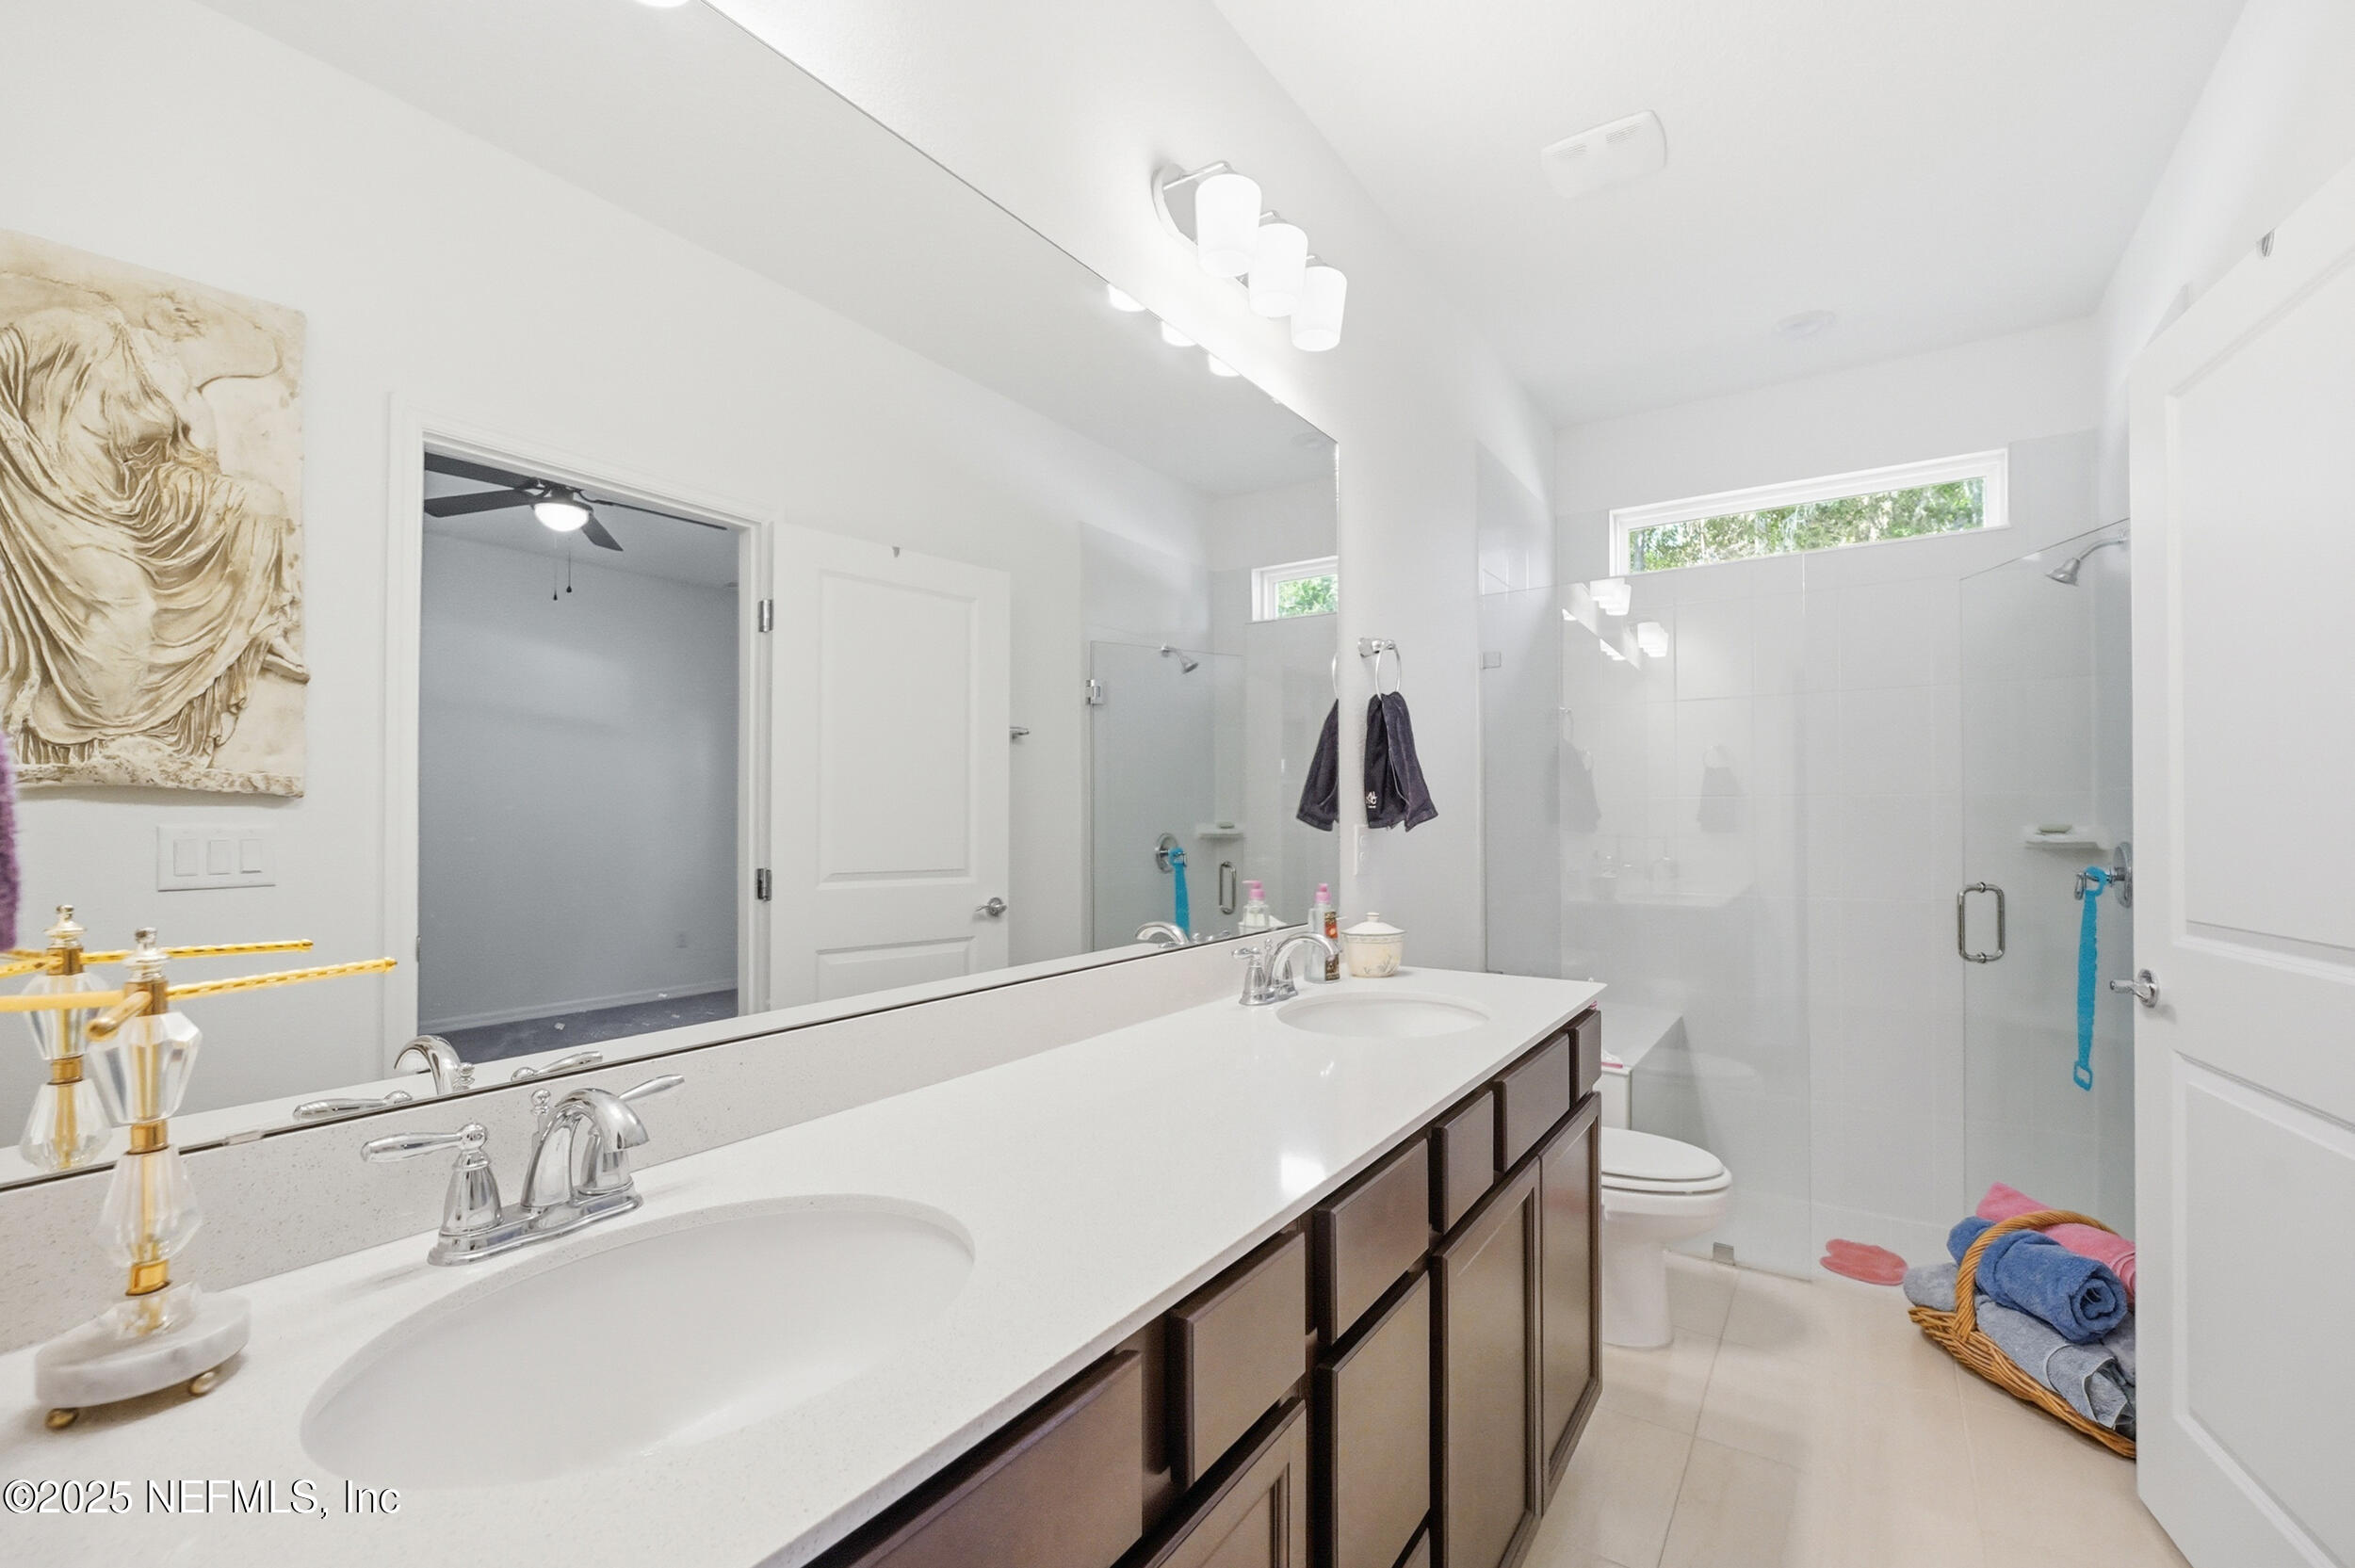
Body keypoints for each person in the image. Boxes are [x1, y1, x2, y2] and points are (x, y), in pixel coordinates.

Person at [0, 276, 304, 772]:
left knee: (261, 502)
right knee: (129, 607)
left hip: (138, 501)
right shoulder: (81, 331)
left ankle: (259, 623)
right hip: (55, 493)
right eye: (179, 306)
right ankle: (88, 732)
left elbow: (195, 463)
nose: (187, 316)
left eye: (197, 317)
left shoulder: (180, 388)